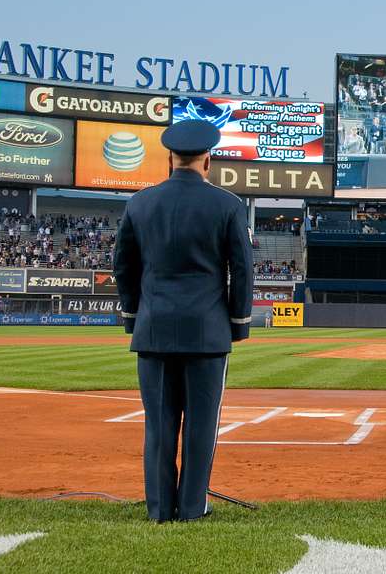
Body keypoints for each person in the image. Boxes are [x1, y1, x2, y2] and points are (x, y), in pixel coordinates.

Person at [113, 119, 254, 523]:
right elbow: (242, 269)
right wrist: (238, 323)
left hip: (154, 328)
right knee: (200, 426)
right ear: (208, 158)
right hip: (208, 332)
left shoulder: (140, 203)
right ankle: (193, 507)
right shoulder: (227, 204)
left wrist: (133, 317)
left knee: (158, 425)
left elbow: (123, 265)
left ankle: (159, 508)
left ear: (169, 157)